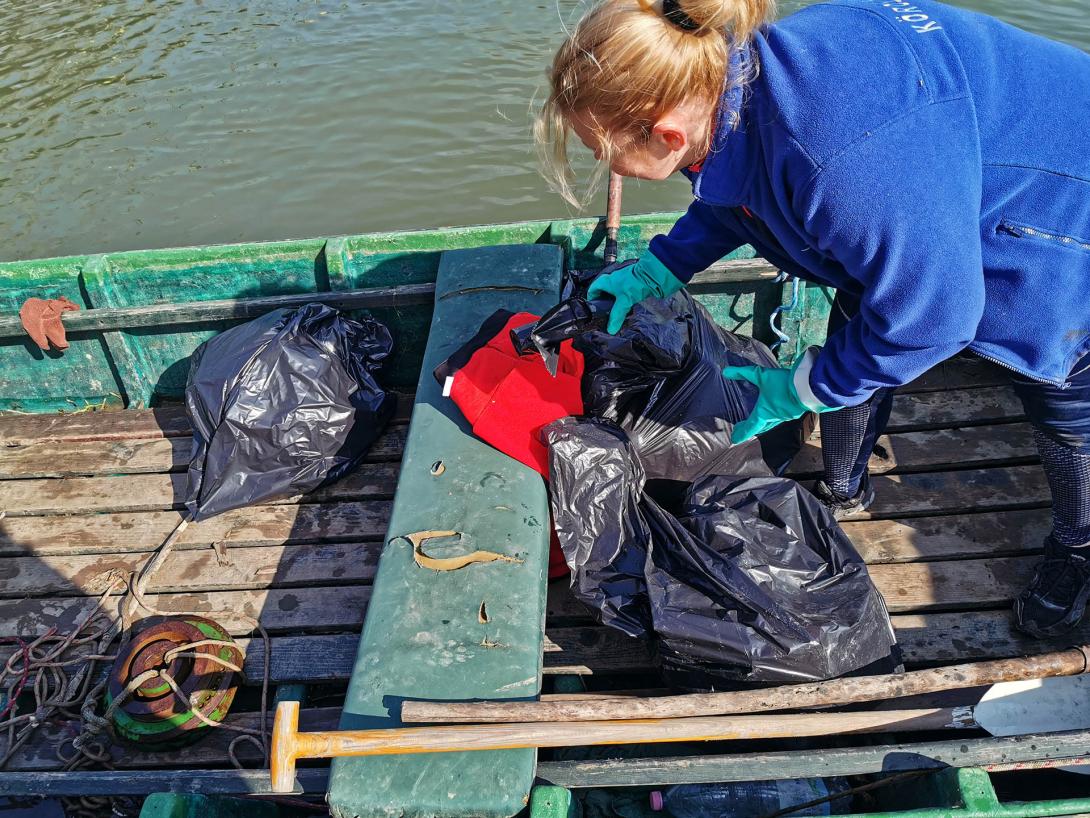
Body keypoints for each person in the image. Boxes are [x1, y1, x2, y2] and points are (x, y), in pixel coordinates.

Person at [535, 0, 1090, 637]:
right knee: (861, 327)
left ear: (666, 135)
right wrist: (663, 265)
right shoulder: (731, 83)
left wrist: (799, 389)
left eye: (603, 151)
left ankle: (1078, 544)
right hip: (921, 184)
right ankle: (845, 488)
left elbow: (935, 319)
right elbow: (738, 185)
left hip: (1059, 213)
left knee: (1063, 393)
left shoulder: (847, 166)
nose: (606, 166)